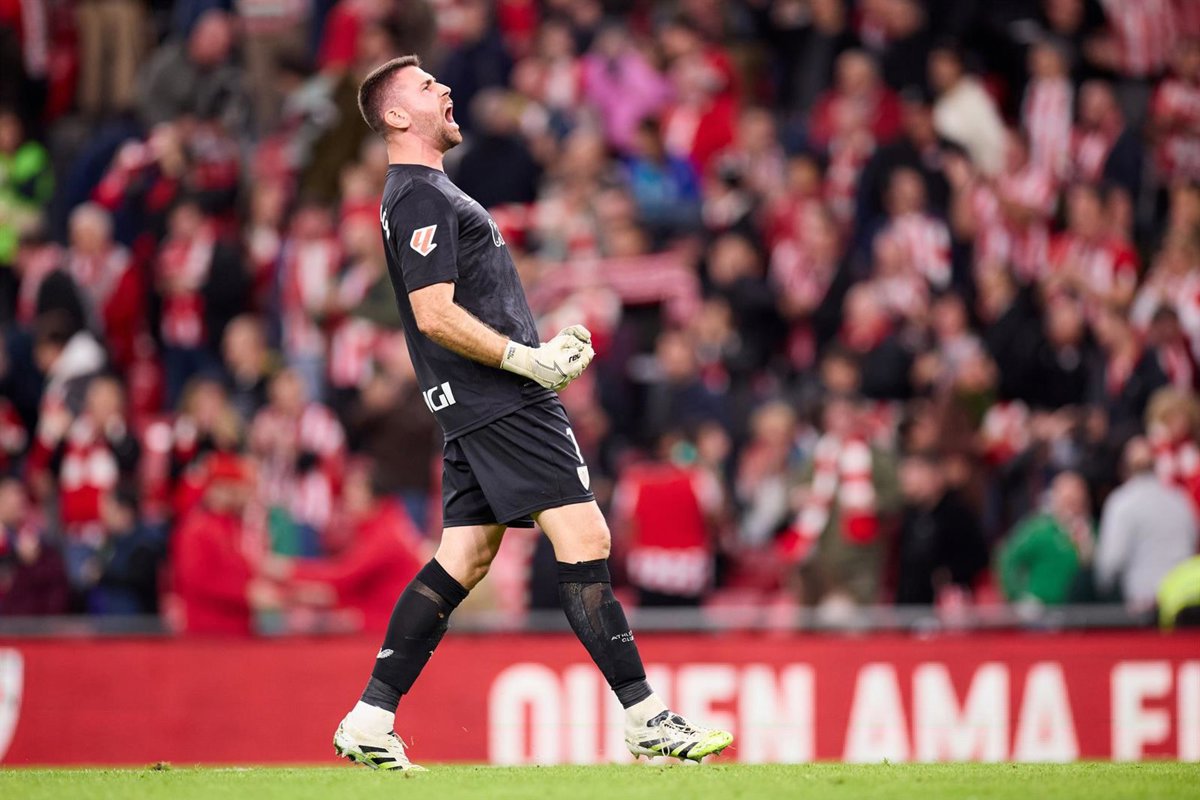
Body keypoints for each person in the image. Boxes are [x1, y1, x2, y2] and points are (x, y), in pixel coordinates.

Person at [332, 54, 733, 771]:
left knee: (465, 554)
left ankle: (369, 718)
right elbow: (432, 313)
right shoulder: (419, 193)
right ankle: (646, 718)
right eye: (425, 86)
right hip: (500, 399)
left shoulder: (419, 192)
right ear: (396, 115)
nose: (444, 87)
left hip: (472, 403)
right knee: (586, 535)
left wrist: (539, 346)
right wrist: (528, 361)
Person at [1095, 436, 1198, 611]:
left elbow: (1111, 563)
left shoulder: (1121, 502)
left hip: (1143, 603)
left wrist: (1103, 589)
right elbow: (1193, 543)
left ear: (1124, 468)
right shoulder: (1180, 499)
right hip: (1182, 602)